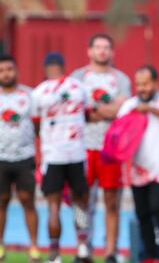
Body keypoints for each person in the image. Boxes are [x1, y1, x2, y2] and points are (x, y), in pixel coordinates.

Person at [72, 33, 132, 263]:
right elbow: (75, 110)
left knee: (111, 201)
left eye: (106, 47)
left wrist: (92, 110)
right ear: (89, 51)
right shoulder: (78, 77)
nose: (102, 51)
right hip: (81, 147)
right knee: (81, 200)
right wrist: (104, 110)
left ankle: (110, 251)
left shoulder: (121, 79)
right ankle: (82, 247)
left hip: (111, 148)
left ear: (112, 52)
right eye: (98, 47)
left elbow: (120, 111)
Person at [31, 53, 91, 263]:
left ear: (47, 68)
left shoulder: (39, 92)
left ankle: (55, 253)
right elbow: (88, 115)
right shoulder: (78, 87)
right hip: (76, 153)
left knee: (53, 205)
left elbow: (36, 125)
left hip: (54, 155)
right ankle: (82, 246)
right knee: (79, 203)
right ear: (63, 66)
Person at [118, 65, 159, 263]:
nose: (142, 88)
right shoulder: (129, 105)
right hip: (137, 169)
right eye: (138, 84)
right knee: (142, 213)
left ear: (155, 83)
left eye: (145, 84)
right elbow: (118, 132)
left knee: (158, 208)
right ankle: (150, 255)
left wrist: (151, 109)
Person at [0, 55, 40, 263]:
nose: (6, 73)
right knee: (2, 202)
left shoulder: (29, 95)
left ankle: (34, 247)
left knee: (28, 201)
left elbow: (38, 125)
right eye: (2, 70)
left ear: (16, 70)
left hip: (24, 157)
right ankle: (0, 248)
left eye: (9, 69)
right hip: (1, 158)